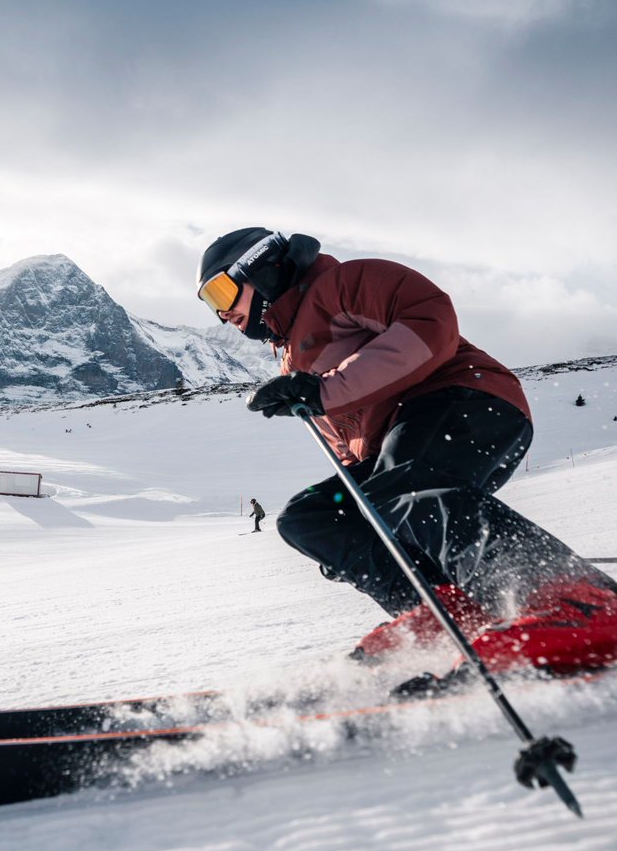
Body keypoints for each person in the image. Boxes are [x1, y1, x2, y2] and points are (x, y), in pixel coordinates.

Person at [196, 227, 617, 674]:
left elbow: (430, 321)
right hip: (398, 445)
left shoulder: (343, 284)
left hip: (464, 399)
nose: (223, 314)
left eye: (221, 291)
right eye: (210, 305)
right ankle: (447, 611)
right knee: (314, 517)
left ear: (262, 266)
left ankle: (579, 604)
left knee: (408, 483)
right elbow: (352, 447)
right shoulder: (292, 357)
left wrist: (323, 390)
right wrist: (352, 542)